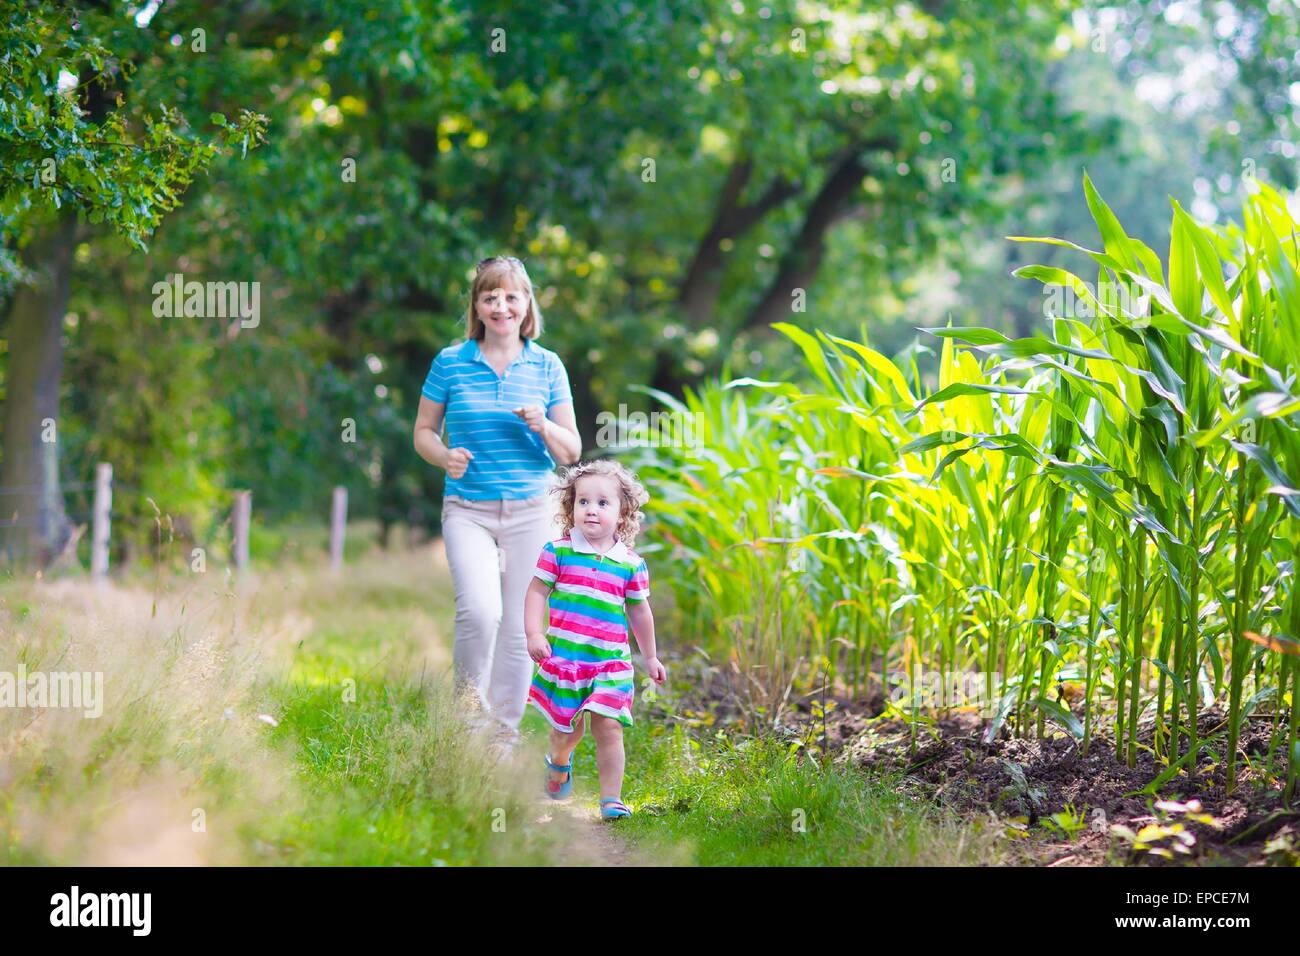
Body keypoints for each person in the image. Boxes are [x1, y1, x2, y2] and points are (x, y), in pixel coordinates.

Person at [412, 256, 581, 748]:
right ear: (478, 306)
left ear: (527, 304)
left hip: (533, 510)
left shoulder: (547, 364)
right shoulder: (450, 361)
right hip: (468, 510)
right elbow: (422, 431)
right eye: (490, 296)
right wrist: (444, 455)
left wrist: (543, 425)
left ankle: (501, 739)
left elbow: (571, 450)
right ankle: (465, 729)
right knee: (479, 612)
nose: (501, 305)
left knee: (518, 625)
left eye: (511, 296)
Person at [524, 459, 666, 819]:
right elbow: (537, 591)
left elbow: (639, 612)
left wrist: (650, 657)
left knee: (610, 727)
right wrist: (534, 633)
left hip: (610, 664)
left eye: (604, 503)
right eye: (583, 502)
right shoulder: (557, 551)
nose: (591, 510)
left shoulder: (630, 564)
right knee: (566, 732)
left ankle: (611, 799)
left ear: (622, 514)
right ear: (570, 508)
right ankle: (559, 761)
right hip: (566, 661)